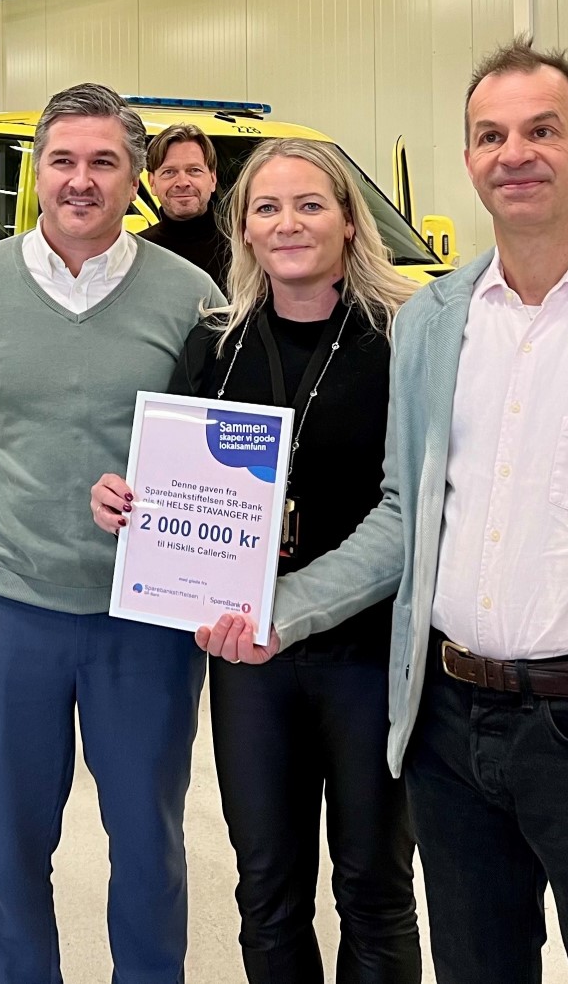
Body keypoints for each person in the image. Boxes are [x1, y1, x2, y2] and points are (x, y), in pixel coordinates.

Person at [204, 39, 568, 984]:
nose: (514, 153)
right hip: (446, 728)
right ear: (469, 160)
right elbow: (405, 517)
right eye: (490, 135)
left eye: (541, 130)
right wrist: (284, 612)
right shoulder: (437, 321)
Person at [92, 139, 419, 983]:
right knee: (267, 889)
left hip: (368, 657)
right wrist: (130, 505)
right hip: (247, 660)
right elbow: (171, 484)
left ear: (350, 221)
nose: (287, 223)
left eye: (310, 204)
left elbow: (414, 512)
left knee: (375, 890)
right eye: (266, 208)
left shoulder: (404, 342)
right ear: (243, 229)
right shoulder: (216, 347)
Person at [0, 83, 223, 984]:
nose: (81, 180)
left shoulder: (192, 297)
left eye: (104, 161)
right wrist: (21, 518)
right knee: (9, 850)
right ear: (37, 173)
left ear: (134, 176)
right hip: (9, 616)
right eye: (63, 160)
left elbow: (215, 447)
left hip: (146, 625)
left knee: (147, 843)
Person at [138, 122, 228, 286]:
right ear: (152, 182)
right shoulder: (136, 254)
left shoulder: (245, 245)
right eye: (169, 172)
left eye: (194, 170)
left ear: (213, 178)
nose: (182, 182)